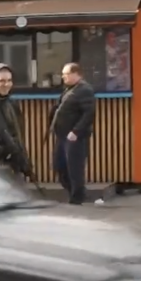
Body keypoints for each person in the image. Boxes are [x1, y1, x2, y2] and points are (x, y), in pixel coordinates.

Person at [50, 62, 96, 204]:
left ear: (76, 74)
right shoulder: (69, 89)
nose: (63, 77)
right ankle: (74, 192)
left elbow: (89, 114)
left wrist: (76, 131)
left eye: (66, 74)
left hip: (74, 137)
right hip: (62, 135)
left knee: (74, 168)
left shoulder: (84, 90)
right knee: (60, 166)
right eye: (63, 74)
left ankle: (77, 197)